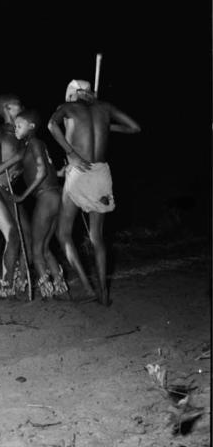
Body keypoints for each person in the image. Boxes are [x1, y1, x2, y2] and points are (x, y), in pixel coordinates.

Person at [48, 79, 141, 305]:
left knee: (63, 233)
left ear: (73, 94)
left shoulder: (67, 108)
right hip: (101, 174)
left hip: (79, 172)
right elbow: (135, 128)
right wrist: (106, 126)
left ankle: (89, 288)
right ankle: (104, 293)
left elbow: (51, 125)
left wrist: (70, 152)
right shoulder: (105, 108)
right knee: (96, 237)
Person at [11, 109, 69, 299]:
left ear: (32, 127)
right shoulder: (35, 145)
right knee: (44, 247)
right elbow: (47, 168)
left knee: (36, 250)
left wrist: (22, 196)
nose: (15, 129)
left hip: (46, 197)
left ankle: (48, 291)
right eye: (15, 126)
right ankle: (61, 287)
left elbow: (42, 172)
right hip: (56, 196)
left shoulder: (34, 143)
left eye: (19, 125)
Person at [0, 94, 32, 299]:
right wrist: (16, 159)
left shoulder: (22, 134)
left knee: (27, 234)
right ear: (6, 108)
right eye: (18, 104)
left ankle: (22, 280)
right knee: (11, 231)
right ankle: (7, 282)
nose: (23, 105)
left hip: (9, 190)